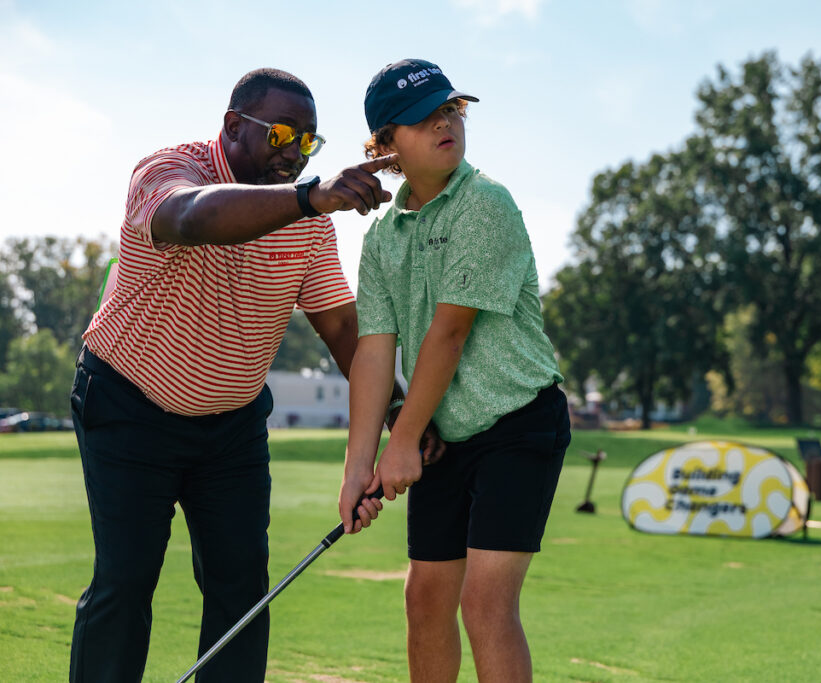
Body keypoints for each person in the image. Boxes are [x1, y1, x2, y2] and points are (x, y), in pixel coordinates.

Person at [69, 67, 437, 683]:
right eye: (282, 134)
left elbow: (341, 328)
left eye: (308, 141)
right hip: (128, 407)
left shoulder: (310, 220)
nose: (295, 152)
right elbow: (190, 217)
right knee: (125, 581)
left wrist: (401, 416)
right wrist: (310, 196)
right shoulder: (169, 170)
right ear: (234, 126)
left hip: (232, 428)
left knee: (241, 587)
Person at [338, 58, 571, 683]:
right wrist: (359, 466)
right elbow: (374, 350)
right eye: (423, 118)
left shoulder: (485, 202)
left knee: (485, 604)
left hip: (518, 422)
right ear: (386, 144)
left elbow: (449, 333)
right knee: (425, 600)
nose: (445, 124)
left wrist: (403, 442)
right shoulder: (384, 237)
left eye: (450, 110)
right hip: (444, 433)